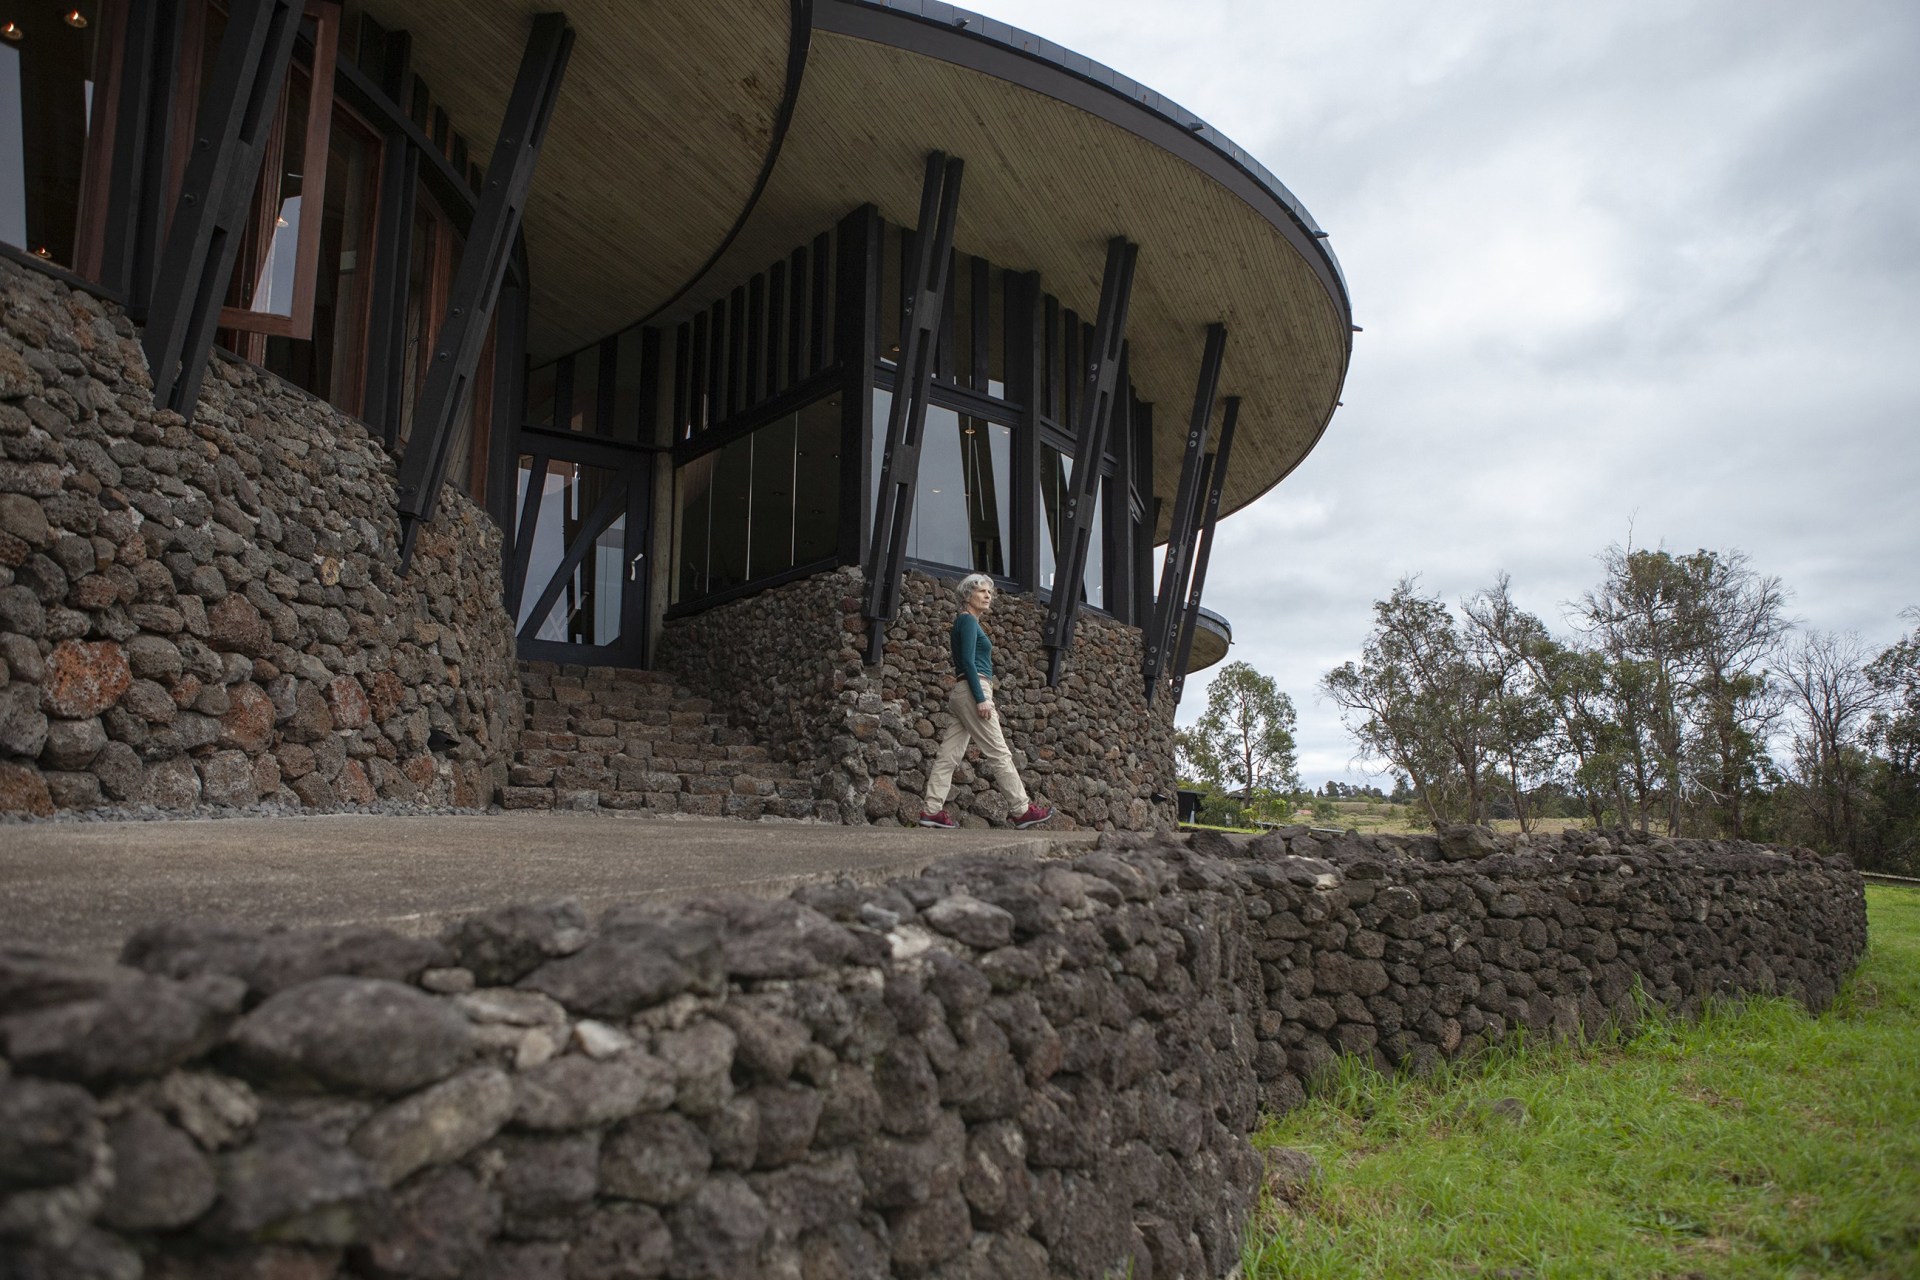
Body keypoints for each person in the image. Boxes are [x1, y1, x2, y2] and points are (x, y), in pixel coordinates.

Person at [917, 573, 1053, 830]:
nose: (988, 595)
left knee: (948, 756)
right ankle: (1021, 810)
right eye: (981, 591)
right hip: (973, 689)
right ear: (967, 596)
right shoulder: (967, 622)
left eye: (989, 592)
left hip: (962, 691)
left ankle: (931, 811)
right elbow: (968, 661)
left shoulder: (966, 622)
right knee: (999, 752)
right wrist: (981, 698)